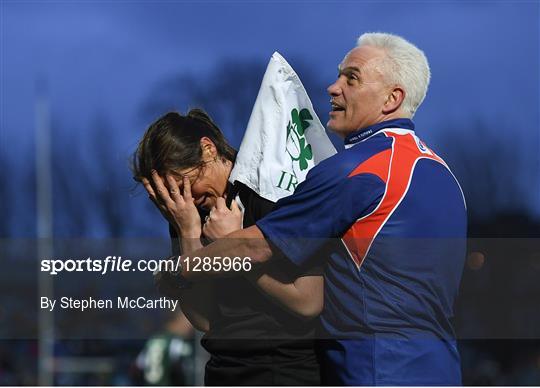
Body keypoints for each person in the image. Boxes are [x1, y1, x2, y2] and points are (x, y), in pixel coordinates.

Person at [158, 32, 468, 385]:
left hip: (376, 371)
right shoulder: (444, 174)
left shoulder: (355, 170)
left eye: (351, 78)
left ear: (391, 98)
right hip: (440, 369)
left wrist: (186, 266)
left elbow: (255, 246)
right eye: (338, 75)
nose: (332, 88)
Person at [132, 109, 323, 385]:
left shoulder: (269, 188)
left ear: (208, 149)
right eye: (168, 193)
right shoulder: (186, 213)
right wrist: (188, 236)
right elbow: (206, 320)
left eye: (185, 184)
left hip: (285, 370)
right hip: (224, 370)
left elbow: (308, 302)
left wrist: (234, 249)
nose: (185, 198)